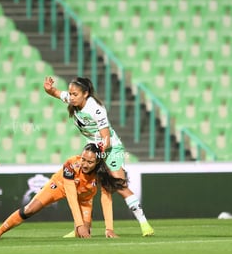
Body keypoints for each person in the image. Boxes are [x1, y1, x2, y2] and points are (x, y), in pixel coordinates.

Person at [43, 76, 155, 237]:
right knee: (85, 187)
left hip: (110, 149)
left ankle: (145, 225)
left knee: (119, 186)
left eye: (75, 94)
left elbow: (106, 138)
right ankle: (82, 230)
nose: (71, 97)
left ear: (86, 94)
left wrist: (99, 158)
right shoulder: (72, 99)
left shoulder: (96, 109)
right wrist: (48, 89)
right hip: (94, 149)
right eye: (70, 94)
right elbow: (54, 92)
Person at [0, 143, 127, 240]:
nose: (85, 164)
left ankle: (75, 235)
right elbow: (71, 196)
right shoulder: (70, 165)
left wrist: (109, 229)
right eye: (83, 159)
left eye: (90, 162)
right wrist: (79, 223)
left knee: (85, 234)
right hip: (59, 186)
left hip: (85, 198)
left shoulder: (102, 173)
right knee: (30, 209)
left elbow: (106, 199)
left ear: (98, 162)